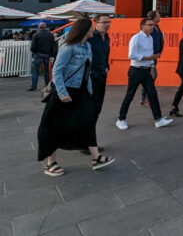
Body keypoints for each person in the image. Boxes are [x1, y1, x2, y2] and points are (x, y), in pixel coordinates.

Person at [37, 18, 115, 176]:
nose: (93, 29)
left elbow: (86, 72)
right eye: (91, 27)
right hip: (66, 91)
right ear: (84, 29)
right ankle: (50, 162)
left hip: (82, 91)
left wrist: (90, 90)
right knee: (55, 126)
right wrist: (63, 93)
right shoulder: (68, 47)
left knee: (88, 121)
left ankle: (96, 158)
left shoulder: (87, 47)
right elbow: (57, 71)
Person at [116, 18, 172, 130]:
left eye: (153, 25)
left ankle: (158, 119)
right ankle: (121, 119)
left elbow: (150, 53)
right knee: (130, 95)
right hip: (136, 70)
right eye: (150, 25)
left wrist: (152, 66)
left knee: (153, 94)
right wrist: (149, 58)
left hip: (147, 70)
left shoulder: (150, 38)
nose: (153, 27)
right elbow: (131, 55)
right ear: (142, 26)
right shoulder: (136, 38)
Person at [82, 14, 112, 155]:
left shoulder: (106, 38)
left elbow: (105, 55)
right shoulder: (90, 37)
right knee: (90, 110)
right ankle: (88, 143)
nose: (107, 24)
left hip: (101, 76)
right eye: (104, 22)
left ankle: (88, 141)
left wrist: (106, 67)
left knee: (97, 109)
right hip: (90, 78)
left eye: (108, 22)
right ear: (96, 23)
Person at [140, 10, 164, 107]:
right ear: (154, 17)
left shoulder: (157, 27)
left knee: (149, 77)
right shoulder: (149, 29)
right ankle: (148, 99)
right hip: (150, 55)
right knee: (151, 76)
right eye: (158, 15)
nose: (160, 17)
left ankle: (144, 98)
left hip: (155, 55)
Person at [28, 22, 56, 91]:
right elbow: (53, 46)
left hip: (38, 54)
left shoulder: (36, 35)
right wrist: (52, 54)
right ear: (45, 27)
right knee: (46, 71)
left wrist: (34, 52)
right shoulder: (50, 35)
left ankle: (34, 85)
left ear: (38, 27)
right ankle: (47, 85)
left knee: (35, 70)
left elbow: (33, 46)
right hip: (47, 54)